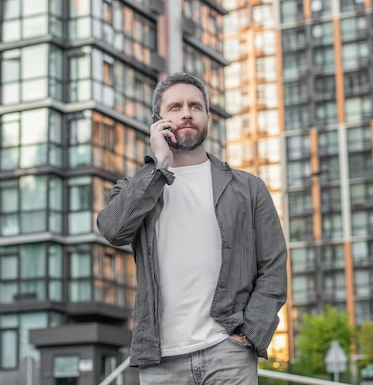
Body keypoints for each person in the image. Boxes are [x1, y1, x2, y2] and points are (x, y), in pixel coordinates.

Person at [97, 72, 287, 384]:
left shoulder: (249, 189)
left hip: (228, 353)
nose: (186, 112)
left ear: (208, 118)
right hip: (161, 359)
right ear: (158, 120)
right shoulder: (135, 187)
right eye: (175, 107)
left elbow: (273, 268)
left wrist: (251, 334)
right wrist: (158, 164)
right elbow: (114, 229)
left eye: (195, 106)